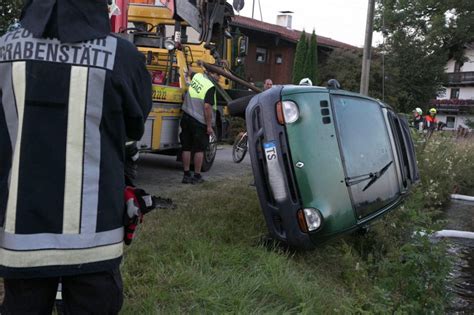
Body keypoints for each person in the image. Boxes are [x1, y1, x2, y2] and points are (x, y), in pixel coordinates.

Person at [0, 0, 152, 314]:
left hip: (20, 237)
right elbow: (133, 129)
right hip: (94, 240)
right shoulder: (121, 56)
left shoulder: (3, 50)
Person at [180, 70, 219, 184]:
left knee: (186, 147)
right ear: (211, 74)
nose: (218, 78)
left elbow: (188, 72)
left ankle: (186, 175)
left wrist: (186, 84)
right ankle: (197, 176)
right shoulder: (210, 87)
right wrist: (209, 126)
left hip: (186, 116)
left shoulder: (197, 77)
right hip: (199, 121)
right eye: (217, 75)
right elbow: (207, 107)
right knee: (199, 149)